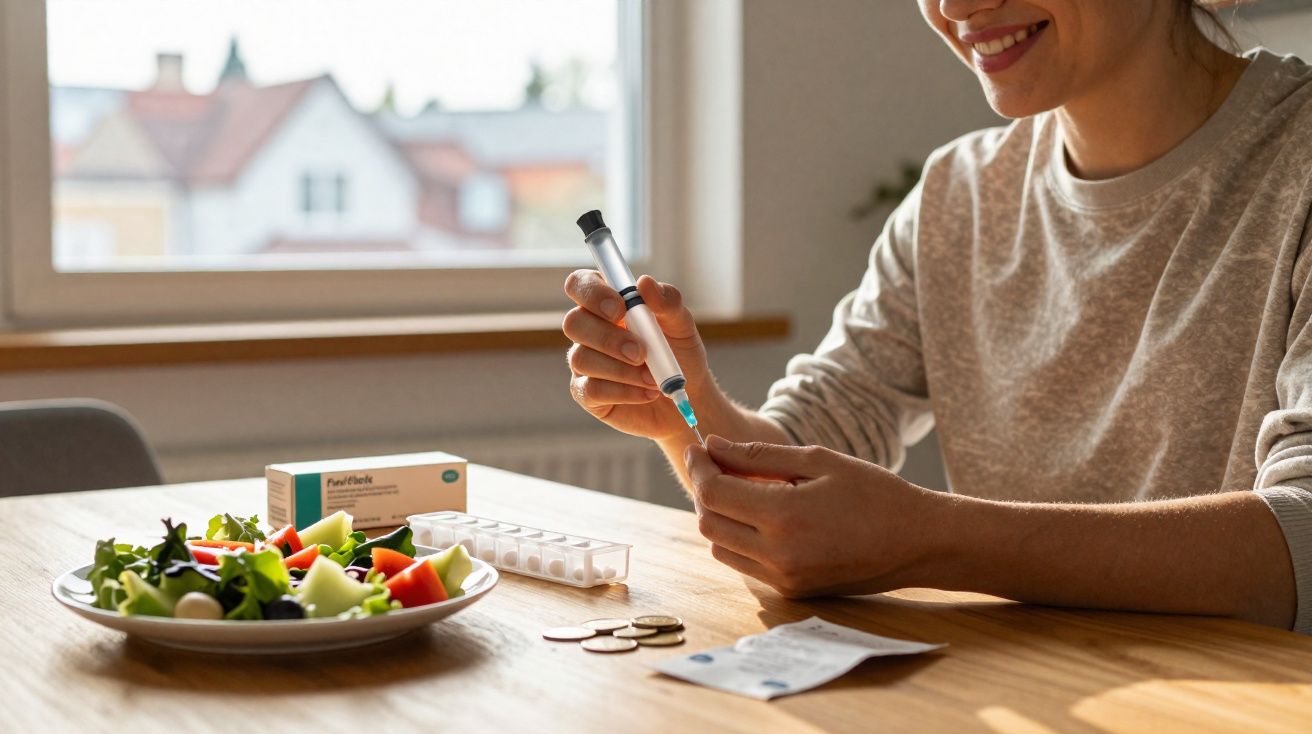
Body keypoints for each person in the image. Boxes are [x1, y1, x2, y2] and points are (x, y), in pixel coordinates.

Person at [562, 0, 1312, 633]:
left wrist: (933, 541)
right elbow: (801, 464)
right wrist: (683, 410)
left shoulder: (1295, 161)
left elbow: (1305, 533)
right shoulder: (958, 196)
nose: (955, 5)